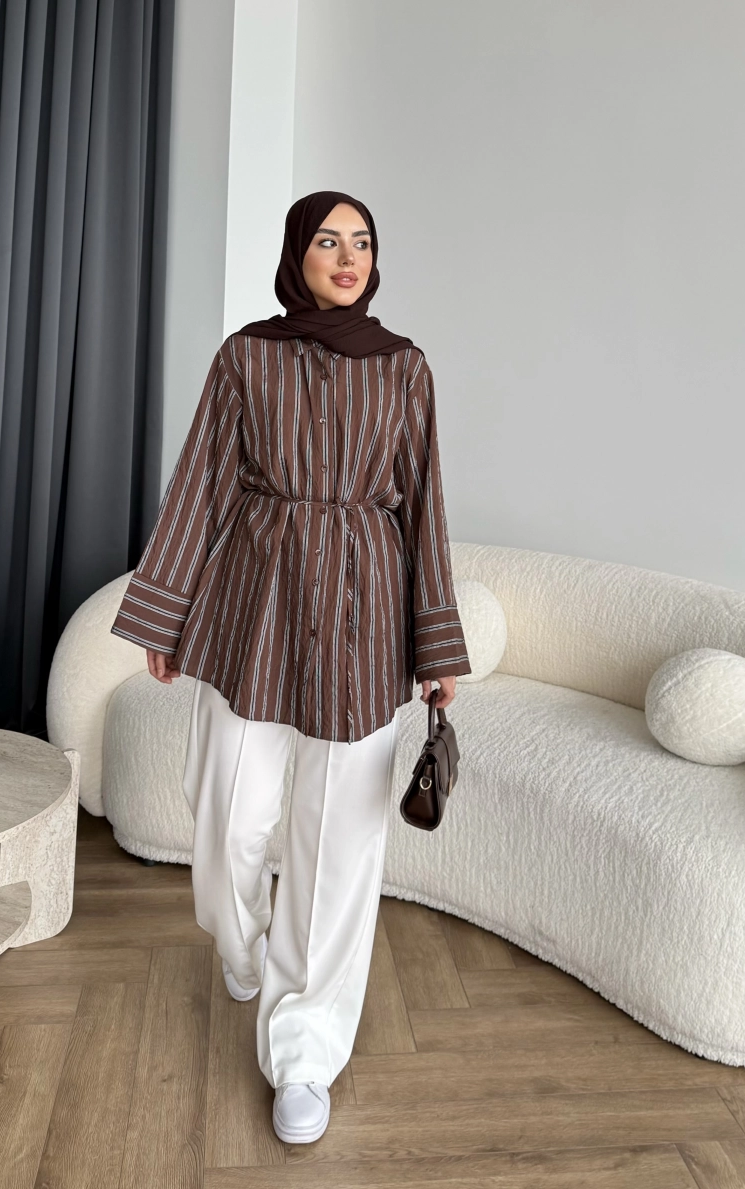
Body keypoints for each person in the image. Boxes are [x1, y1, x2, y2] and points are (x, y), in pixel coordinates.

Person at [110, 189, 471, 1144]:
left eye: (363, 242)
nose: (348, 257)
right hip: (254, 612)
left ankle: (303, 1052)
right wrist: (163, 611)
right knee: (227, 815)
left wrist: (436, 647)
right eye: (327, 240)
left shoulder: (406, 367)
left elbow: (424, 507)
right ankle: (242, 947)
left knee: (337, 844)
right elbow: (200, 483)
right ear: (295, 255)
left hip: (365, 620)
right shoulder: (246, 356)